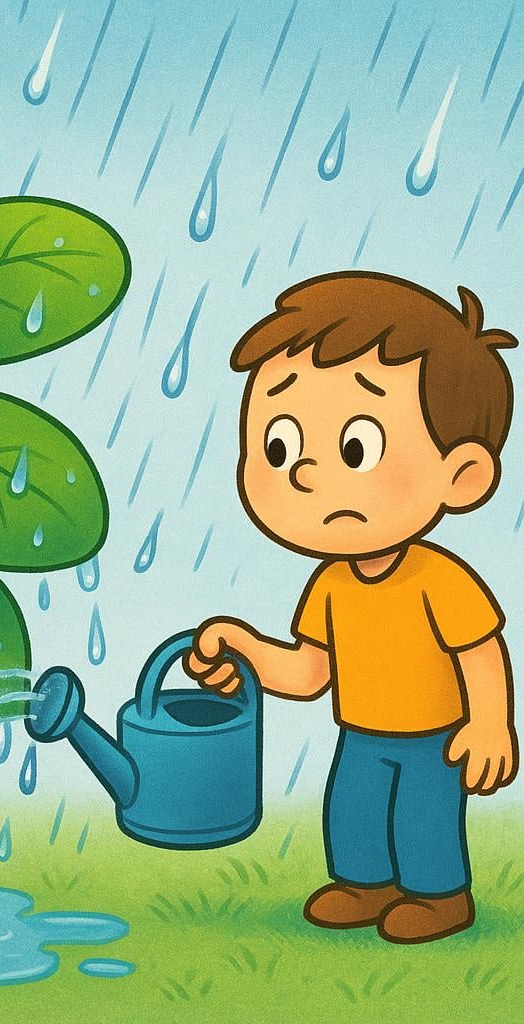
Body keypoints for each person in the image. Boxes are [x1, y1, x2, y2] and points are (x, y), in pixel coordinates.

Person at [185, 272, 518, 943]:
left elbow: (479, 650)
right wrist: (245, 649)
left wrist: (491, 724)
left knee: (423, 818)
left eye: (355, 448)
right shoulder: (330, 585)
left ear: (463, 476)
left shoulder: (438, 579)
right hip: (360, 732)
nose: (304, 473)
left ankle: (440, 897)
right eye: (279, 446)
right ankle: (365, 885)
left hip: (433, 738)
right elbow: (311, 672)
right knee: (354, 813)